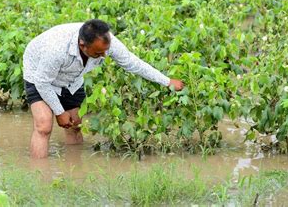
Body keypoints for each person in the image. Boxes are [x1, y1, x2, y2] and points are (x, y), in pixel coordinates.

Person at [23, 19, 184, 159]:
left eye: (106, 51)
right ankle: (40, 176)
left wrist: (167, 81)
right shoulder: (56, 49)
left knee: (75, 124)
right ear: (82, 45)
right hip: (39, 74)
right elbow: (42, 82)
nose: (105, 56)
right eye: (99, 53)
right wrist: (59, 112)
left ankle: (73, 166)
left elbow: (133, 63)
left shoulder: (106, 43)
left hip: (72, 79)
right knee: (44, 126)